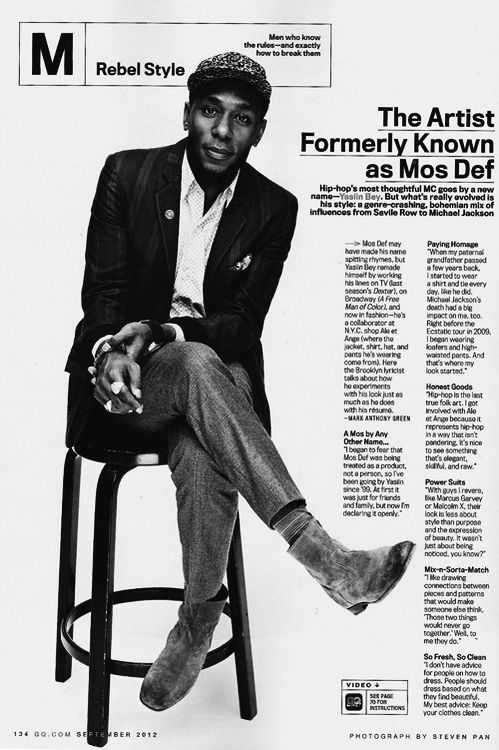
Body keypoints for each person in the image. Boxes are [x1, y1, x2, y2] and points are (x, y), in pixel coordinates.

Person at [65, 51, 415, 713]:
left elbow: (239, 324)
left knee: (204, 444)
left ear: (258, 132)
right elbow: (102, 294)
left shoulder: (272, 207)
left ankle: (196, 622)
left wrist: (171, 332)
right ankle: (323, 556)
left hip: (213, 385)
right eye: (210, 112)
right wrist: (115, 347)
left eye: (242, 120)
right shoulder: (127, 174)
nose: (222, 132)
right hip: (126, 384)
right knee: (197, 367)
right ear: (188, 113)